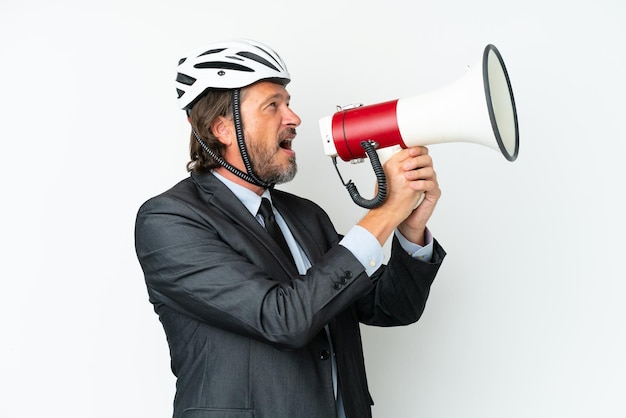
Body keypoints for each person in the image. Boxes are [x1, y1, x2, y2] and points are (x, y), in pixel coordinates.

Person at [134, 39, 446, 418]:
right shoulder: (170, 219)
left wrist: (409, 228)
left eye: (288, 102)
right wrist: (383, 214)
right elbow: (281, 319)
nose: (294, 117)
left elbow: (390, 308)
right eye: (273, 105)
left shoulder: (306, 216)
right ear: (222, 128)